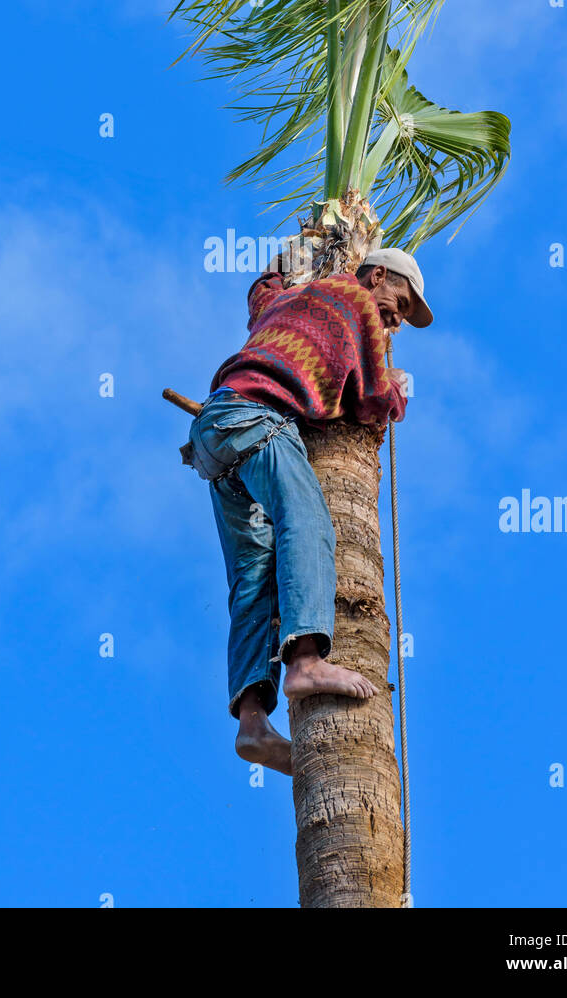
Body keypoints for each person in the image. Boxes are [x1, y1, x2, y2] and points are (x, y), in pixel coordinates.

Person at [188, 246, 434, 776]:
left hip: (216, 431)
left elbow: (261, 299)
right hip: (258, 420)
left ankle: (252, 722)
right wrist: (400, 392)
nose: (396, 317)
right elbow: (370, 398)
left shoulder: (295, 299)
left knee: (254, 574)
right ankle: (304, 662)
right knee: (308, 523)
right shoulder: (356, 298)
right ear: (376, 276)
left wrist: (277, 269)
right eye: (400, 301)